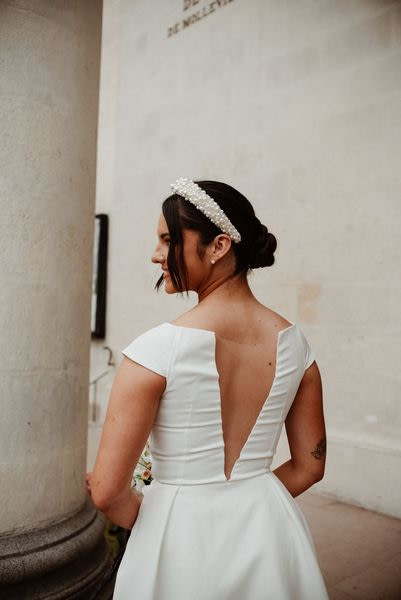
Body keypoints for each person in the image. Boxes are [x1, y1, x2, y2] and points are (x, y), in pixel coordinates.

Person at [88, 178, 329, 599]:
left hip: (177, 541)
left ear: (219, 246)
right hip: (268, 532)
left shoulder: (154, 352)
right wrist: (246, 504)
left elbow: (107, 491)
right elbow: (310, 467)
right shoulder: (296, 347)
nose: (155, 254)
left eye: (168, 240)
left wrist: (166, 521)